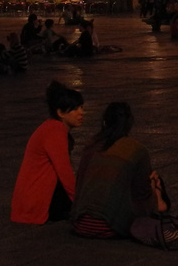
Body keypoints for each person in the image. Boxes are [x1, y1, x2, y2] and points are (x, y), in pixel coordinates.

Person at [70, 102, 167, 238]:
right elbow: (142, 193)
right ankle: (159, 200)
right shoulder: (137, 149)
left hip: (79, 223)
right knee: (155, 180)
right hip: (110, 226)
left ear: (105, 122)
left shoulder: (91, 145)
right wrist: (153, 187)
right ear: (129, 124)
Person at [11, 81, 86, 224]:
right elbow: (65, 172)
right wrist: (80, 202)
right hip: (37, 200)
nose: (81, 112)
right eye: (75, 109)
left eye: (81, 107)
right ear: (60, 113)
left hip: (33, 198)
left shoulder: (52, 128)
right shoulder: (55, 131)